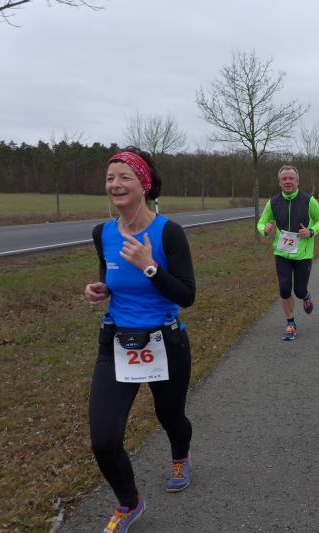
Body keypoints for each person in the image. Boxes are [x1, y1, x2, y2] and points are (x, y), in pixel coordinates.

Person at [83, 147, 196, 532]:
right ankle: (129, 503)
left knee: (170, 417)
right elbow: (111, 276)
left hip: (165, 342)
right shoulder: (103, 233)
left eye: (124, 177)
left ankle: (180, 456)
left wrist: (149, 266)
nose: (115, 184)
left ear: (144, 184)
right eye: (110, 178)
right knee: (104, 437)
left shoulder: (169, 233)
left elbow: (186, 295)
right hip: (117, 342)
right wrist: (101, 289)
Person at [257, 165, 319, 340]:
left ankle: (306, 296)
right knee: (284, 288)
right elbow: (261, 222)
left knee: (299, 290)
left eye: (291, 178)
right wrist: (264, 229)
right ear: (279, 182)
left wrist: (311, 231)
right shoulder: (273, 202)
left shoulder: (308, 200)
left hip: (303, 254)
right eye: (284, 179)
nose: (288, 181)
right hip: (282, 253)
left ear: (297, 181)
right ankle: (290, 323)